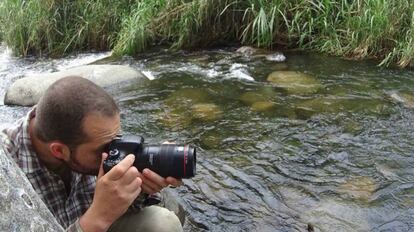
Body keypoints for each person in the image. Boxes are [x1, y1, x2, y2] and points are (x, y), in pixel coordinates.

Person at [0, 76, 183, 232]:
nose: (113, 152)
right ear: (59, 151)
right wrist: (97, 218)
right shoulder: (7, 170)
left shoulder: (97, 134)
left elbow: (120, 207)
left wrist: (139, 188)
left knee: (161, 223)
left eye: (116, 140)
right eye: (104, 149)